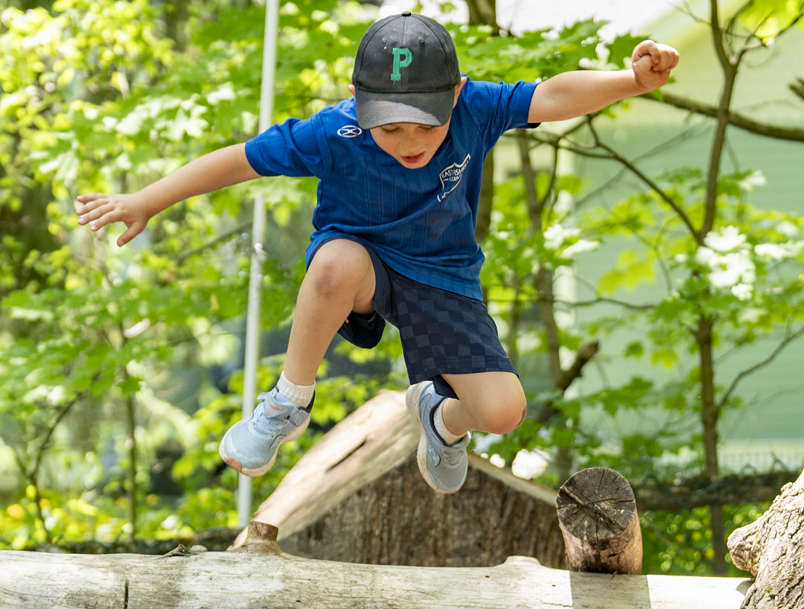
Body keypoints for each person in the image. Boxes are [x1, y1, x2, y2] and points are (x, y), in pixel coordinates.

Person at [75, 12, 678, 494]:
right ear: (358, 101)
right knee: (334, 263)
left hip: (442, 276)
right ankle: (288, 401)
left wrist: (633, 81)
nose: (410, 142)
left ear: (457, 96)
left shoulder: (478, 108)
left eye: (427, 126)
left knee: (502, 412)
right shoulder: (332, 135)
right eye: (390, 128)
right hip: (360, 263)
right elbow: (240, 159)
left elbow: (550, 96)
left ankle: (439, 420)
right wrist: (148, 199)